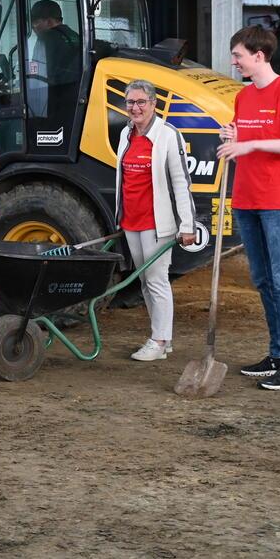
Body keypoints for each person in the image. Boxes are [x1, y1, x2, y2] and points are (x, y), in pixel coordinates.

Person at [217, 24, 280, 391]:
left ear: (258, 56)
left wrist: (251, 146)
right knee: (262, 280)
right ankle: (276, 355)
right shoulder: (244, 97)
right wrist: (234, 139)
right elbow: (246, 141)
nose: (234, 61)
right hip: (246, 197)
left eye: (238, 55)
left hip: (276, 201)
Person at [114, 79, 197, 362]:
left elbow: (181, 182)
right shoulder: (126, 134)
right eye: (130, 102)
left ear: (153, 104)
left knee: (157, 279)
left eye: (141, 102)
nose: (135, 108)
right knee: (145, 281)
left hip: (157, 222)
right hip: (131, 221)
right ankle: (162, 337)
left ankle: (159, 340)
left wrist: (187, 224)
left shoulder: (167, 135)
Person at [27, 0, 82, 124]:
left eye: (36, 22)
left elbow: (37, 78)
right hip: (73, 102)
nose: (33, 27)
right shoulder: (75, 36)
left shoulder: (46, 38)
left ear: (49, 21)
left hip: (54, 104)